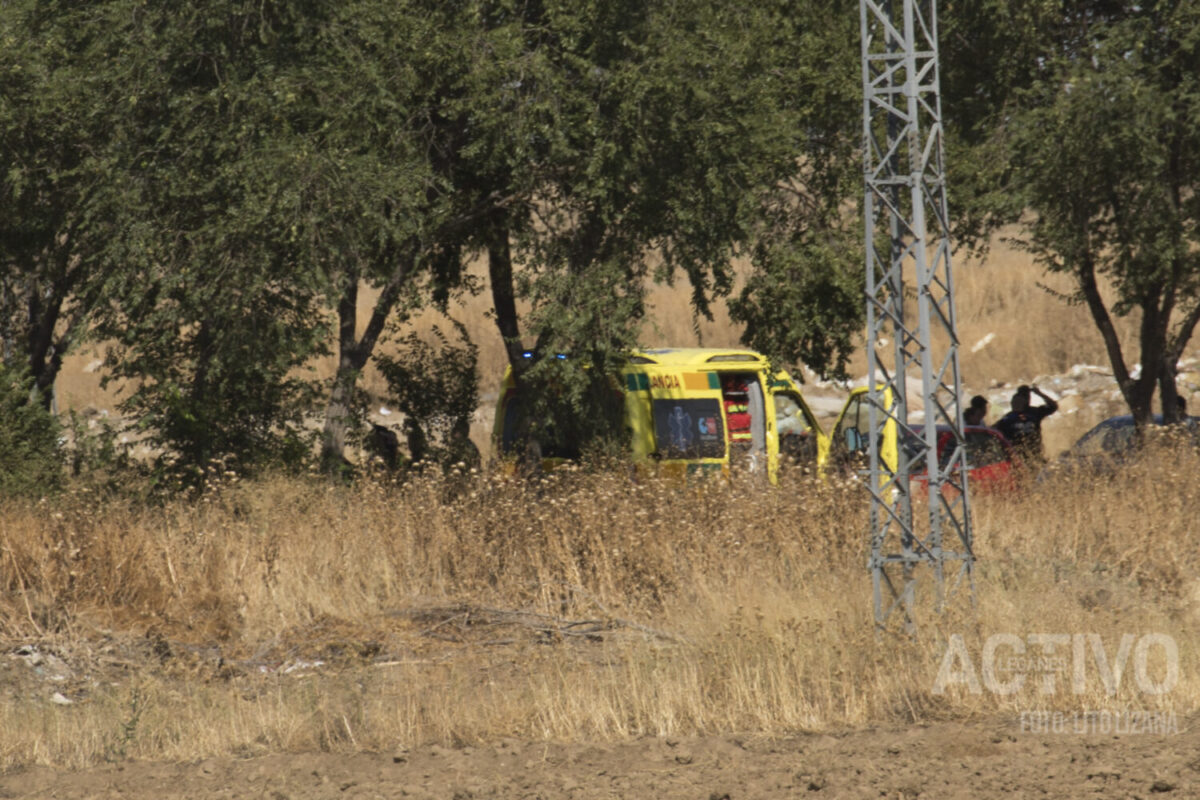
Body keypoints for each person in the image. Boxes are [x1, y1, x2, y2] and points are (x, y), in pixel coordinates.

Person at [995, 384, 1058, 465]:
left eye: (1026, 397)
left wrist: (1039, 393)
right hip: (1017, 458)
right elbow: (995, 432)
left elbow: (1053, 406)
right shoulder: (1008, 418)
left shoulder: (1034, 412)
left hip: (1035, 455)